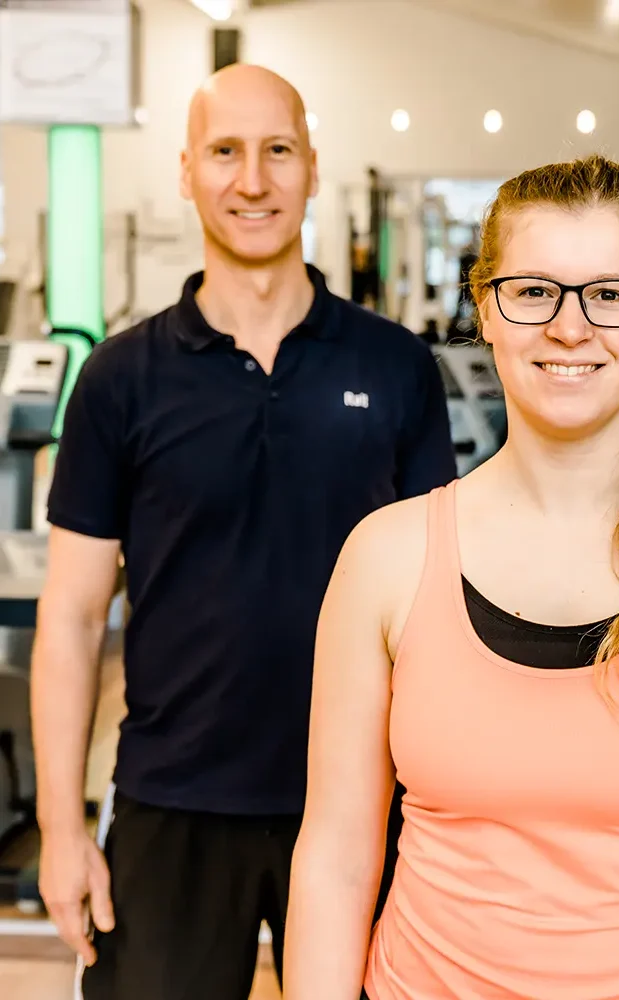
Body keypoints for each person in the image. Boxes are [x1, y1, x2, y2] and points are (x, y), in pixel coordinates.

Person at [284, 153, 619, 999]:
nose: (569, 327)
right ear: (486, 310)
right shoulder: (387, 556)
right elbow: (333, 861)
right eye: (534, 290)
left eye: (610, 294)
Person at [31, 63, 456, 1000]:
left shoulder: (395, 368)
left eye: (277, 152)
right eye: (225, 152)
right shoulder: (119, 379)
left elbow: (439, 605)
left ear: (311, 167)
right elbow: (69, 617)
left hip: (364, 801)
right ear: (187, 171)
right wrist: (63, 830)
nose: (252, 181)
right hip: (173, 797)